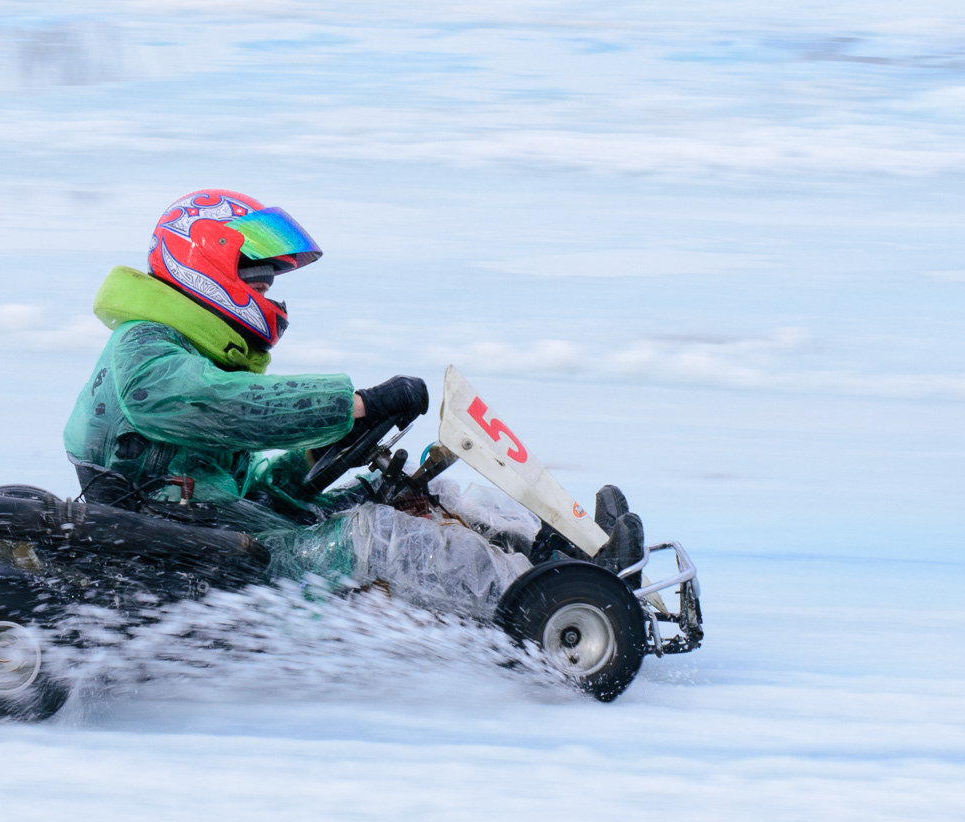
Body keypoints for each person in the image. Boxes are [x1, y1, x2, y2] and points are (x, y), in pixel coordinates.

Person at [63, 188, 642, 617]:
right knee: (380, 537)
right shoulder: (145, 350)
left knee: (419, 494)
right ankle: (556, 607)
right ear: (207, 264)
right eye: (259, 279)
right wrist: (354, 405)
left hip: (226, 526)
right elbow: (218, 404)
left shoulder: (187, 350)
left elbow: (240, 486)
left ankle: (555, 557)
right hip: (203, 554)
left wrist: (316, 454)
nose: (269, 291)